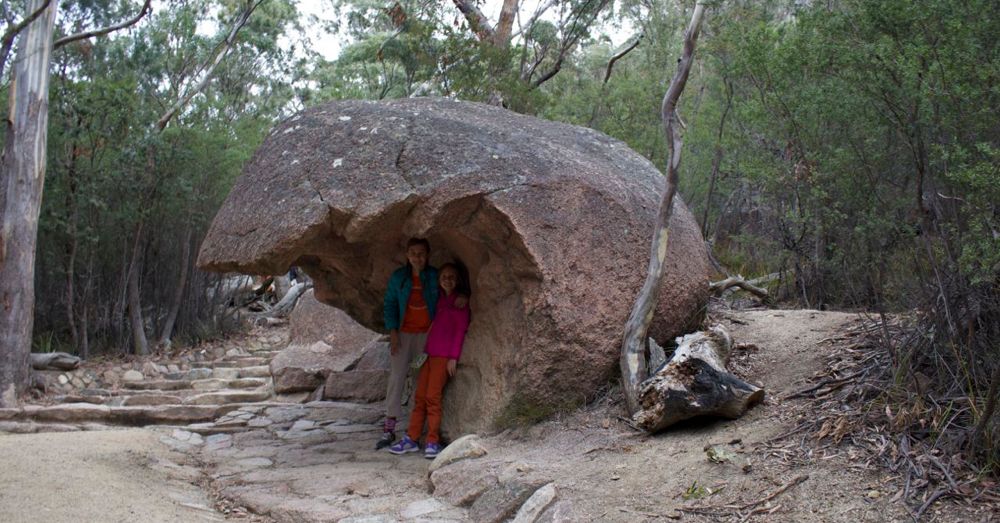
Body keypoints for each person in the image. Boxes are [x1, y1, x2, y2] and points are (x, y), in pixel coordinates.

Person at [389, 263, 470, 458]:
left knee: (433, 398)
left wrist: (453, 358)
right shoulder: (438, 300)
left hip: (442, 357)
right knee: (420, 397)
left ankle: (432, 441)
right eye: (444, 276)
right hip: (428, 354)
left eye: (452, 276)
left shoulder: (461, 304)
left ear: (457, 280)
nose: (447, 280)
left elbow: (460, 332)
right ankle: (412, 438)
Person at [377, 238, 439, 450]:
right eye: (413, 253)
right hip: (403, 336)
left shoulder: (433, 276)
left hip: (425, 336)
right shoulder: (399, 278)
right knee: (397, 377)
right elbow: (390, 304)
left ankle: (415, 428)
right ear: (407, 255)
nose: (417, 257)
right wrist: (393, 332)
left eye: (421, 253)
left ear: (427, 254)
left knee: (421, 379)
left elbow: (442, 301)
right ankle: (389, 427)